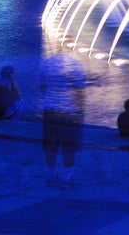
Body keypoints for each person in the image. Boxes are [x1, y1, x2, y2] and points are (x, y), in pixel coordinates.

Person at [39, 53, 86, 188]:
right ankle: (66, 178)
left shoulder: (46, 64)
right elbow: (79, 92)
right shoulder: (75, 64)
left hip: (50, 112)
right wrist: (80, 111)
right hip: (70, 113)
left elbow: (42, 88)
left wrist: (50, 101)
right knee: (69, 147)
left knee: (50, 145)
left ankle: (51, 176)